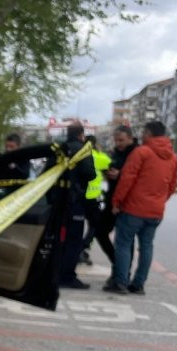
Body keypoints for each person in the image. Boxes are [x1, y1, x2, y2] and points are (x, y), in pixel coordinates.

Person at [104, 121, 177, 295]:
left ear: (149, 133)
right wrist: (159, 201)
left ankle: (120, 282)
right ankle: (138, 284)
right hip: (156, 211)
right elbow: (172, 186)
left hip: (133, 209)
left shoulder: (142, 152)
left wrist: (117, 201)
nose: (142, 137)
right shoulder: (173, 158)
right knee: (146, 246)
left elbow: (127, 179)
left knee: (123, 243)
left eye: (144, 133)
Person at [57, 122, 96, 289]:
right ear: (81, 135)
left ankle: (55, 273)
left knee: (59, 239)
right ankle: (67, 276)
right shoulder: (83, 150)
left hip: (58, 200)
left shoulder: (59, 148)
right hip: (75, 200)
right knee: (73, 240)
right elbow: (90, 174)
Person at [91, 125, 137, 265]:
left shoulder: (137, 153)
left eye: (121, 140)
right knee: (99, 231)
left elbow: (138, 176)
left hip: (128, 201)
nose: (118, 143)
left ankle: (123, 273)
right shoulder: (115, 153)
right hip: (112, 198)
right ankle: (117, 264)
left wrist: (120, 175)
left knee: (125, 239)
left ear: (130, 138)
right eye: (116, 140)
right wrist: (108, 174)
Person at [79, 135, 111, 266]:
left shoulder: (79, 155)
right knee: (94, 226)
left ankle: (78, 250)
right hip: (92, 198)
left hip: (79, 197)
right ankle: (83, 248)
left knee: (77, 227)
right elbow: (111, 164)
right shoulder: (99, 157)